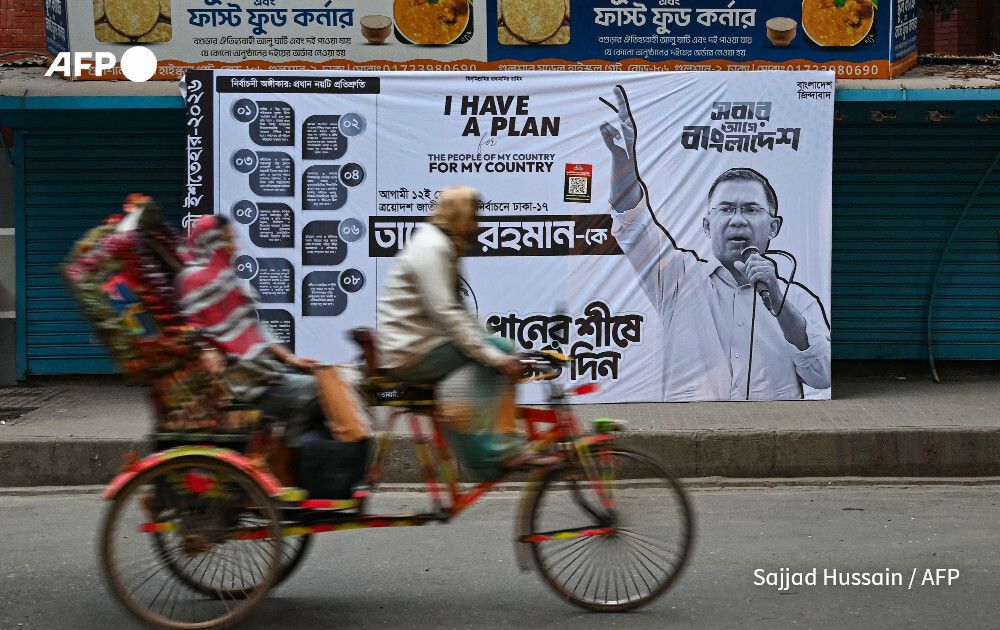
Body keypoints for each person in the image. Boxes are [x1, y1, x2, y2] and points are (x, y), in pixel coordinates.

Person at [599, 86, 831, 401]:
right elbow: (633, 225)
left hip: (772, 428)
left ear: (773, 227)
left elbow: (822, 375)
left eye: (751, 210)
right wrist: (624, 162)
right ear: (708, 226)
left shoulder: (799, 300)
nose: (738, 220)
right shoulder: (678, 278)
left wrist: (778, 302)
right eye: (726, 209)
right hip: (692, 426)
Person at [376, 185, 557, 477]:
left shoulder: (442, 245)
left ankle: (501, 447)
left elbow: (462, 313)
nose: (477, 227)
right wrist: (494, 356)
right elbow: (448, 314)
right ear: (458, 215)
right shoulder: (432, 248)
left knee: (500, 350)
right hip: (411, 352)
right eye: (473, 218)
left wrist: (492, 345)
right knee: (498, 354)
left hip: (421, 344)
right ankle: (498, 451)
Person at [176, 214, 325, 442]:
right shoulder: (193, 281)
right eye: (228, 240)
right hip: (240, 381)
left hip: (258, 369)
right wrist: (207, 350)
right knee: (315, 391)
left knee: (325, 381)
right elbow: (195, 333)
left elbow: (255, 329)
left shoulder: (227, 277)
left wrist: (291, 360)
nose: (235, 246)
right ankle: (292, 453)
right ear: (211, 241)